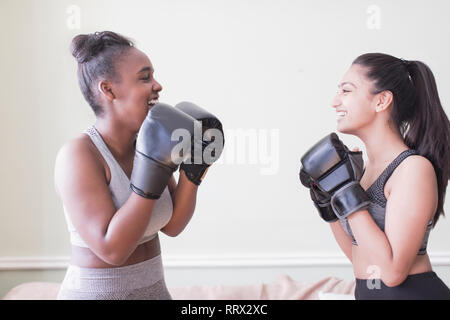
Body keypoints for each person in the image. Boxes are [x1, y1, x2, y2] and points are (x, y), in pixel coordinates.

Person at [54, 31, 223, 300]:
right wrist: (150, 175)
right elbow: (112, 250)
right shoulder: (78, 154)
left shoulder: (147, 142)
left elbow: (172, 226)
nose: (158, 86)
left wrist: (194, 169)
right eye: (145, 78)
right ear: (108, 89)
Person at [300, 53, 450, 299]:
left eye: (346, 91)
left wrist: (345, 191)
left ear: (382, 100)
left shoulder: (412, 168)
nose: (335, 101)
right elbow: (360, 258)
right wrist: (328, 203)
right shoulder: (364, 171)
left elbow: (391, 273)